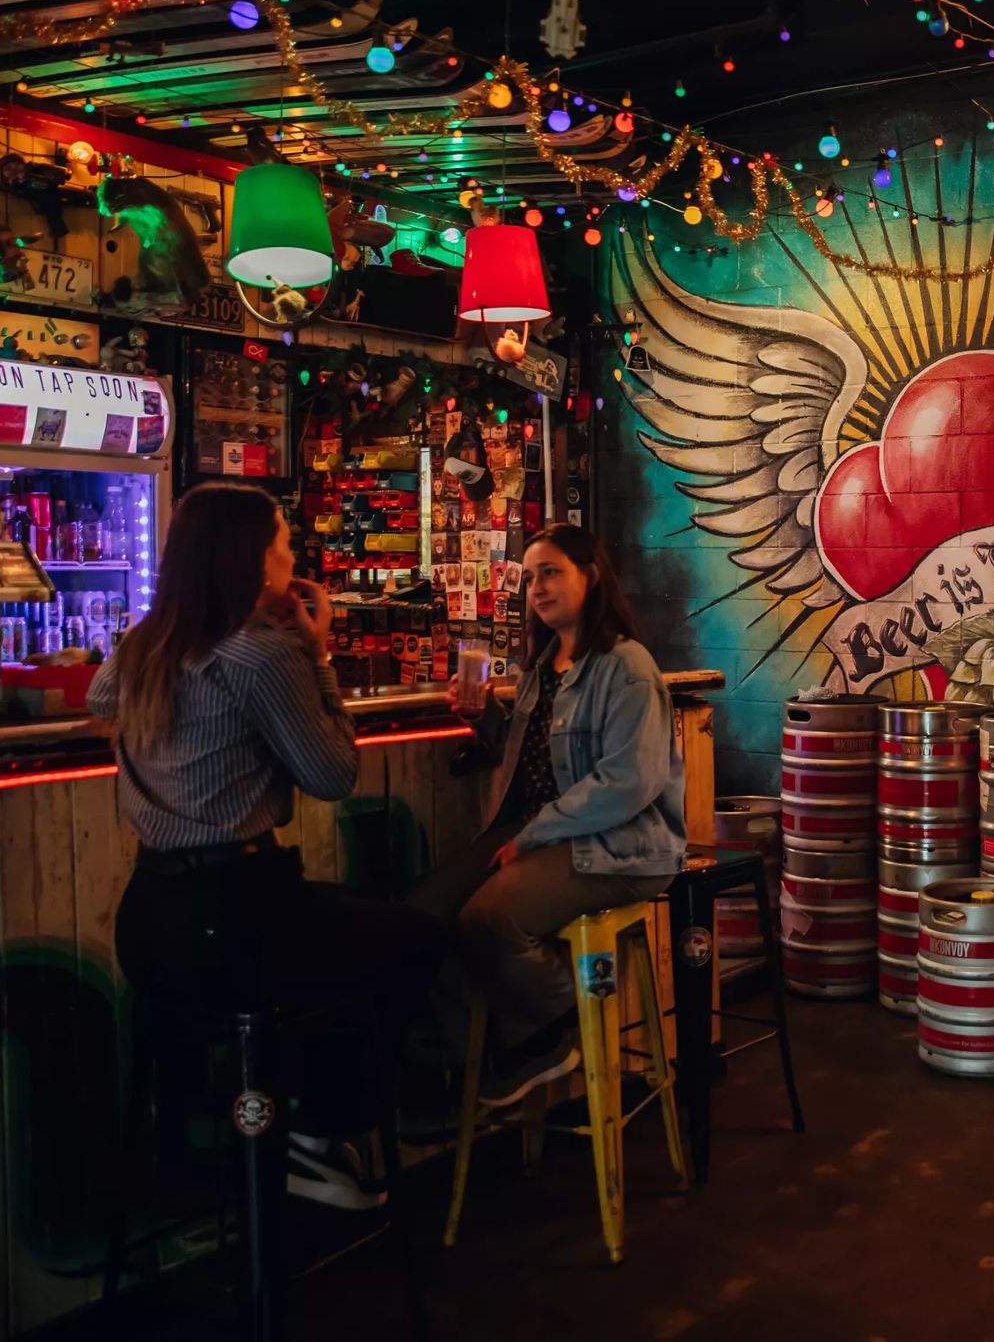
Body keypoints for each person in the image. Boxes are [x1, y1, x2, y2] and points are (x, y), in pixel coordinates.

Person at [89, 482, 442, 1210]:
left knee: (339, 933)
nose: (293, 553)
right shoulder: (263, 655)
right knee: (416, 939)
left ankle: (263, 1141)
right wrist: (318, 656)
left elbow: (98, 702)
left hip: (151, 922)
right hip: (236, 918)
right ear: (253, 559)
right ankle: (314, 1135)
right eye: (284, 541)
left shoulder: (141, 643)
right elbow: (333, 774)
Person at [412, 523, 685, 1107]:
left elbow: (628, 782)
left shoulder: (625, 667)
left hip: (619, 843)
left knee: (490, 917)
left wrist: (536, 834)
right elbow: (530, 753)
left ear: (590, 575)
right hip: (539, 832)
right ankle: (466, 1065)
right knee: (422, 916)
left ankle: (553, 1029)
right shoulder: (542, 665)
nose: (536, 587)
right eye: (529, 577)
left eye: (551, 572)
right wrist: (484, 719)